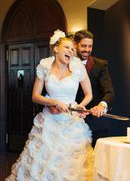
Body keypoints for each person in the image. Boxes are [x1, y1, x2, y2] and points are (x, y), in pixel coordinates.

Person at [6, 30, 94, 181]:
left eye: (72, 49)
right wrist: (53, 102)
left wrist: (80, 106)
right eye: (67, 48)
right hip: (49, 121)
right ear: (56, 49)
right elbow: (35, 96)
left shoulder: (77, 67)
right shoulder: (45, 66)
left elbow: (89, 95)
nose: (71, 52)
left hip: (71, 122)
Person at [74, 30, 115, 147]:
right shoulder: (65, 64)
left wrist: (101, 105)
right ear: (75, 44)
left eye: (90, 46)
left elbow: (109, 91)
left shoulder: (101, 65)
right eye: (83, 46)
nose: (87, 50)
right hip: (71, 121)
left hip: (96, 122)